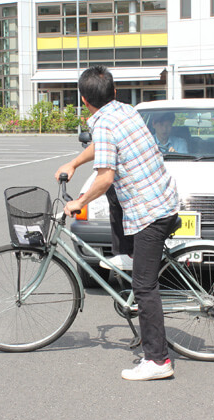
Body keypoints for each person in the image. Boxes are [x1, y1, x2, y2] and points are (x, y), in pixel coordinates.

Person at [55, 65, 179, 381]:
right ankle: (127, 254)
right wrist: (73, 161)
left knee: (144, 286)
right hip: (161, 197)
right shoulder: (125, 111)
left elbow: (106, 176)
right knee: (115, 199)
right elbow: (102, 148)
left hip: (151, 213)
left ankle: (158, 361)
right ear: (114, 93)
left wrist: (79, 202)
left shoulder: (105, 124)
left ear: (84, 100)